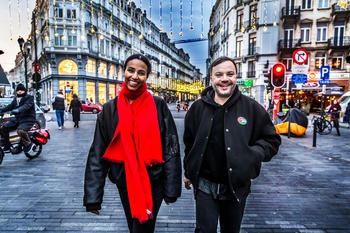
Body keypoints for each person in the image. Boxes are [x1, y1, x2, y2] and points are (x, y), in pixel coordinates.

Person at [84, 54, 182, 233]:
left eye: (141, 72)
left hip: (154, 181)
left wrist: (172, 189)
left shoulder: (158, 105)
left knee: (141, 229)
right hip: (124, 181)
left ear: (147, 77)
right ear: (124, 72)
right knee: (133, 226)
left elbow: (171, 147)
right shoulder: (110, 109)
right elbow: (97, 152)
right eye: (131, 70)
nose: (135, 76)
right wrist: (93, 197)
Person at [183, 56, 281, 233]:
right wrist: (188, 171)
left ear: (236, 76)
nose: (224, 79)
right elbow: (189, 143)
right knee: (204, 230)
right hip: (205, 185)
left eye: (230, 74)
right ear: (211, 78)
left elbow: (272, 140)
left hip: (236, 185)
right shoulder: (197, 108)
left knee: (231, 230)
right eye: (219, 74)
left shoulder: (252, 108)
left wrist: (254, 154)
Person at [0, 83, 36, 153]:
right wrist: (2, 110)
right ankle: (7, 146)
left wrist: (18, 110)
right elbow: (10, 106)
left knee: (21, 131)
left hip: (28, 119)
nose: (20, 91)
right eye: (18, 90)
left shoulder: (29, 97)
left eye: (21, 90)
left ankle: (28, 144)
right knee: (3, 128)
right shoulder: (16, 98)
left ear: (24, 91)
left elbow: (26, 106)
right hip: (18, 119)